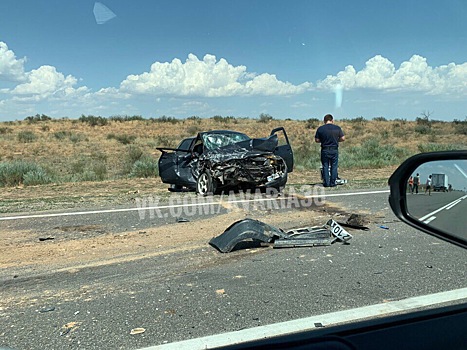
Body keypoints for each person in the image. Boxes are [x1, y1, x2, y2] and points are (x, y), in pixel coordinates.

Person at [315, 114, 345, 187]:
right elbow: (343, 138)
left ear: (324, 121)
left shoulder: (320, 129)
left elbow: (317, 140)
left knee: (325, 166)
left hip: (325, 149)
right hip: (334, 149)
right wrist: (336, 140)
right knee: (334, 166)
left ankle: (326, 182)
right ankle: (333, 182)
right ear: (332, 120)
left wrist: (323, 140)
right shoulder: (337, 128)